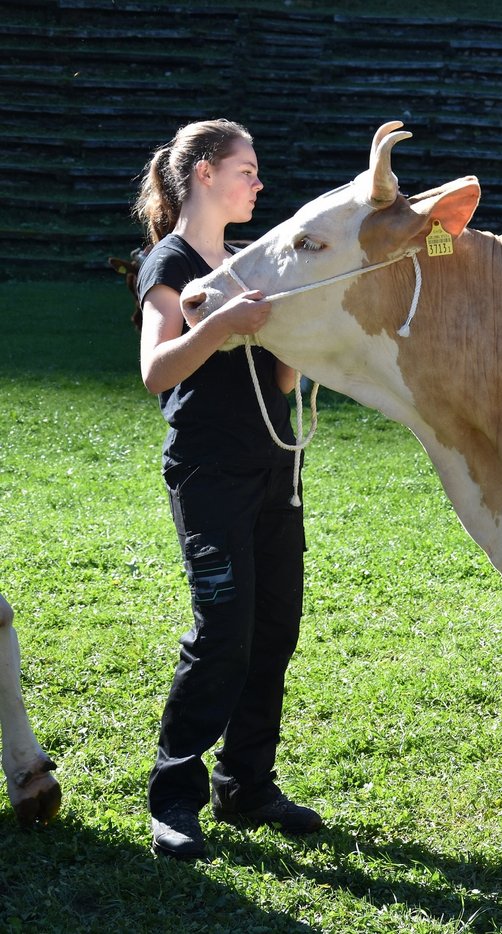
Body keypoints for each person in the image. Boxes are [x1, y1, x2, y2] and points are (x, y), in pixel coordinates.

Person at [133, 118, 322, 860]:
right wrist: (228, 321)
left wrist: (291, 339)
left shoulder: (248, 260)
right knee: (223, 635)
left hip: (275, 469)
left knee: (274, 631)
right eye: (246, 169)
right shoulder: (170, 263)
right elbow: (157, 371)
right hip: (210, 472)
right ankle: (174, 799)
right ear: (205, 173)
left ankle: (246, 784)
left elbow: (278, 377)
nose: (258, 183)